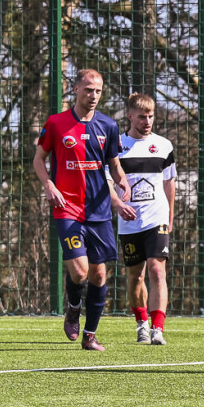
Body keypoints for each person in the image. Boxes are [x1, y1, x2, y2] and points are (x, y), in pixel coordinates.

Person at [33, 69, 133, 351]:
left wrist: (122, 178)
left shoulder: (108, 126)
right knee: (79, 271)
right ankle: (74, 306)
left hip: (99, 209)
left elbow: (113, 164)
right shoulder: (56, 123)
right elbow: (39, 159)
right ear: (75, 88)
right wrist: (48, 185)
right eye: (88, 89)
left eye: (98, 91)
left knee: (99, 275)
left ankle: (90, 335)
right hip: (67, 208)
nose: (93, 96)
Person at [115, 94, 176, 345]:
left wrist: (170, 216)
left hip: (156, 218)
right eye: (142, 116)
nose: (147, 121)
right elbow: (108, 181)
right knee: (135, 277)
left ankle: (157, 329)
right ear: (130, 116)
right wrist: (118, 204)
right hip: (129, 222)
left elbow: (169, 183)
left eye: (150, 116)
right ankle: (141, 323)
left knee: (157, 271)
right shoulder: (116, 146)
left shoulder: (164, 145)